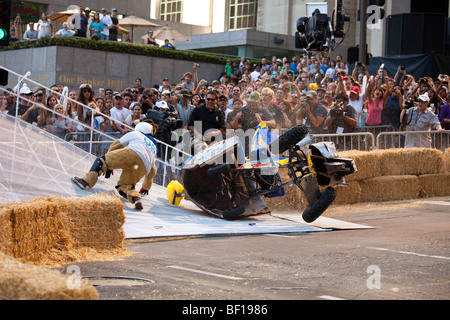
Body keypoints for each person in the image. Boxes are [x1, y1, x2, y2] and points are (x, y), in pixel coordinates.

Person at [72, 122, 159, 211]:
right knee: (125, 186)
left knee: (102, 161)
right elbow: (152, 170)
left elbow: (116, 145)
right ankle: (136, 198)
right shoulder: (154, 147)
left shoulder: (135, 134)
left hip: (131, 153)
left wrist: (109, 165)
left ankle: (86, 181)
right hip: (143, 166)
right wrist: (146, 187)